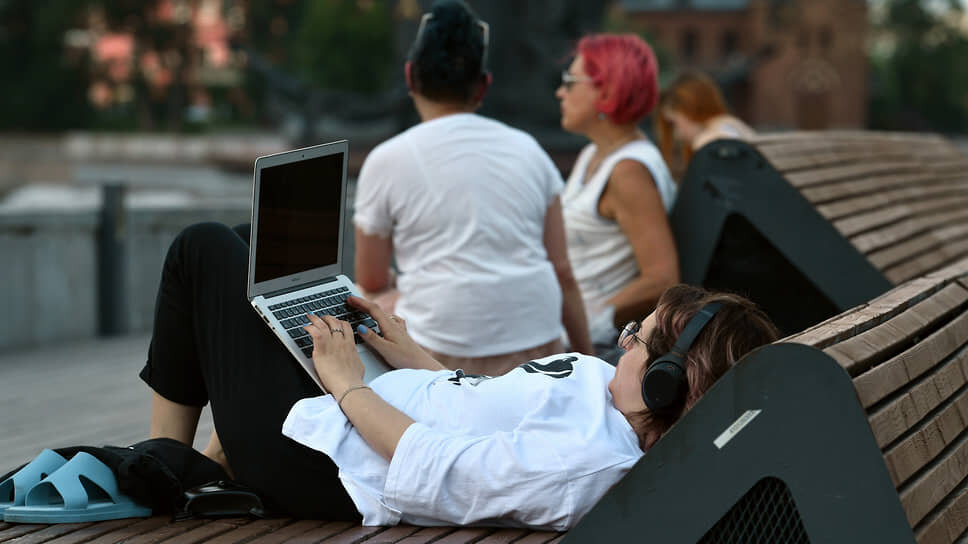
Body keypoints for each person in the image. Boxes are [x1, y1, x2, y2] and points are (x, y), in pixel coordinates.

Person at [140, 220, 779, 528]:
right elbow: (479, 407)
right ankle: (193, 460)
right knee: (252, 248)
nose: (625, 338)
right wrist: (409, 352)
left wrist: (345, 383)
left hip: (323, 463)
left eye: (640, 340)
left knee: (206, 250)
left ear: (668, 385)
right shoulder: (607, 403)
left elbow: (434, 468)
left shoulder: (582, 460)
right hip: (354, 413)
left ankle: (168, 466)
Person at [353, 0, 592, 376]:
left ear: (410, 75)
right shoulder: (529, 150)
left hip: (439, 354)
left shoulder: (386, 160)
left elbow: (370, 280)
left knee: (368, 299)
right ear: (483, 86)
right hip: (537, 351)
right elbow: (561, 271)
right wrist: (587, 361)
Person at [555, 34, 680, 353]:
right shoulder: (593, 155)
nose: (560, 92)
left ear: (606, 91)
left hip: (590, 346)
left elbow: (662, 278)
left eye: (570, 82)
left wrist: (583, 322)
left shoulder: (628, 171)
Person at [655, 70, 756, 176]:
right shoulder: (734, 124)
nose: (676, 135)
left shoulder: (707, 142)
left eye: (674, 123)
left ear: (690, 109)